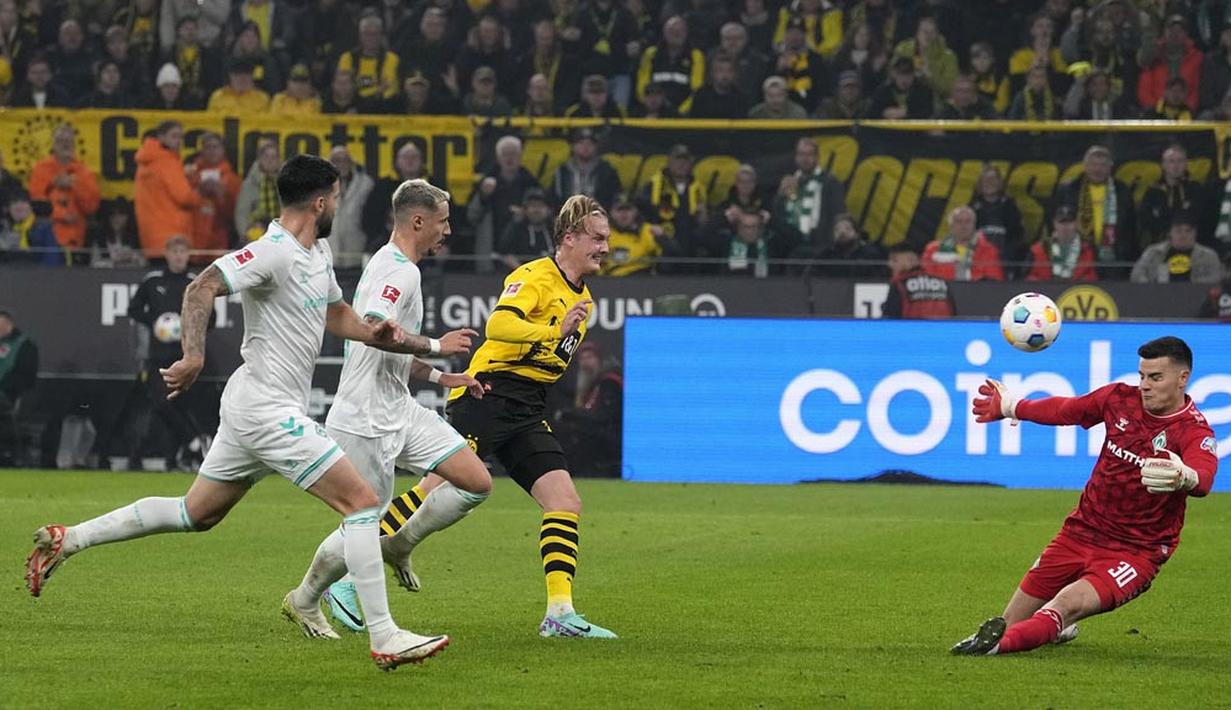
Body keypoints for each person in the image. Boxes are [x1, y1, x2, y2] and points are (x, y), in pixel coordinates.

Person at [25, 155, 451, 671]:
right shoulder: (271, 252)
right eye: (336, 197)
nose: (338, 205)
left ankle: (70, 539)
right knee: (363, 504)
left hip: (260, 407)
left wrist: (374, 332)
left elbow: (335, 313)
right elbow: (201, 285)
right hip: (266, 409)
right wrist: (194, 355)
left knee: (194, 513)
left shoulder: (317, 251)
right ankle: (384, 636)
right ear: (320, 201)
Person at [380, 194, 618, 639]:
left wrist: (556, 338)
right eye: (597, 238)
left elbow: (549, 359)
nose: (605, 247)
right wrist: (553, 330)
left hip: (527, 407)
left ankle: (559, 614)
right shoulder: (535, 276)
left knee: (564, 501)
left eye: (606, 239)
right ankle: (352, 578)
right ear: (569, 238)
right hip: (489, 393)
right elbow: (500, 326)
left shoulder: (583, 300)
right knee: (435, 483)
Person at [288, 179, 491, 634]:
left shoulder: (391, 263)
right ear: (417, 221)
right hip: (364, 419)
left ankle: (400, 542)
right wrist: (440, 345)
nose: (448, 231)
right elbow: (379, 329)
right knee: (362, 522)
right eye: (442, 222)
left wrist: (442, 376)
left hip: (399, 406)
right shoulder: (401, 271)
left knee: (475, 481)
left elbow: (387, 349)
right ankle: (304, 599)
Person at [952, 336, 1219, 656]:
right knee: (1011, 620)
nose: (1145, 385)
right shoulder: (1120, 399)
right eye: (1142, 376)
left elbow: (1203, 478)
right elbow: (1068, 410)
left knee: (1066, 604)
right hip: (1079, 533)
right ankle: (1038, 633)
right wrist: (1012, 407)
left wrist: (1184, 476)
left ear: (1183, 378)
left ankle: (992, 648)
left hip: (1135, 551)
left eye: (1156, 377)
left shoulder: (1193, 430)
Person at [126, 235, 206, 471]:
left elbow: (210, 317)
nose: (179, 256)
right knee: (160, 402)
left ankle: (175, 459)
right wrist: (156, 322)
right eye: (175, 252)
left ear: (188, 255)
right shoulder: (152, 281)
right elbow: (133, 309)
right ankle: (193, 441)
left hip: (187, 355)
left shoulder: (196, 282)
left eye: (183, 252)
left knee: (179, 405)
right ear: (167, 254)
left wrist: (189, 326)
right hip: (158, 355)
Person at [1053, 145, 1137, 273]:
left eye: (1103, 165)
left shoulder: (1121, 190)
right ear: (1085, 166)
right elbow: (1054, 220)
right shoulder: (1068, 189)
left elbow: (1131, 226)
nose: (1097, 169)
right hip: (1076, 256)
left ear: (1110, 167)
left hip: (1113, 258)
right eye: (1093, 164)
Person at [134, 121, 201, 260]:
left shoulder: (147, 160)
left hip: (151, 237)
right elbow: (184, 197)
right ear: (161, 137)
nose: (178, 141)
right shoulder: (166, 161)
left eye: (181, 137)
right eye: (174, 136)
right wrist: (200, 194)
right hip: (172, 238)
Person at [772, 137, 846, 256]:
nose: (805, 159)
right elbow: (778, 214)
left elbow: (839, 212)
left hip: (821, 245)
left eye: (809, 154)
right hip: (793, 245)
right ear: (796, 157)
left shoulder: (829, 181)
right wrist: (780, 195)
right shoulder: (790, 180)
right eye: (801, 154)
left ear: (817, 157)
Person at [187, 132, 241, 263]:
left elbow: (236, 216)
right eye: (208, 147)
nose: (212, 151)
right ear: (202, 151)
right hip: (192, 239)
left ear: (223, 150)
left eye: (215, 147)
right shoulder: (190, 175)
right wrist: (198, 192)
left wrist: (222, 196)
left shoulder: (233, 180)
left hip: (218, 242)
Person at [1138, 144, 1206, 247]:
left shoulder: (1195, 189)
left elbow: (1201, 218)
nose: (1175, 166)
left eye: (1180, 161)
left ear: (1186, 164)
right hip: (1159, 245)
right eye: (1171, 161)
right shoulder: (1153, 191)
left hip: (1192, 245)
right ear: (1163, 165)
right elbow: (1145, 220)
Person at [1130, 212, 1223, 285]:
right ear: (1170, 233)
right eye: (1178, 231)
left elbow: (1216, 277)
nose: (1183, 235)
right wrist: (1151, 287)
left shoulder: (1208, 255)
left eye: (1188, 231)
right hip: (1158, 296)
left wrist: (1192, 286)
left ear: (1195, 233)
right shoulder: (1153, 252)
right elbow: (1136, 274)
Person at [921, 206, 1005, 281]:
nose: (963, 226)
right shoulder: (933, 249)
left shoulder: (989, 250)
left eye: (968, 221)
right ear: (951, 226)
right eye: (959, 221)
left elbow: (994, 282)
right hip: (942, 296)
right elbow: (927, 280)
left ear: (974, 225)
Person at [969, 164, 1025, 275]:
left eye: (993, 179)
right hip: (979, 257)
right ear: (980, 183)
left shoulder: (1010, 206)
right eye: (986, 179)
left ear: (999, 182)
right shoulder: (973, 207)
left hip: (1006, 257)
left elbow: (1017, 233)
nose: (989, 183)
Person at [549, 128, 621, 211]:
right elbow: (555, 197)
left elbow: (614, 197)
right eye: (581, 143)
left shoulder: (607, 171)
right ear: (573, 146)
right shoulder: (562, 171)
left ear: (596, 147)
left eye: (590, 144)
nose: (585, 147)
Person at [0, 309, 37, 466]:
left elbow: (25, 376)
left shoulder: (24, 345)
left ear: (8, 324)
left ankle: (10, 455)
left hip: (10, 395)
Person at [1025, 205, 1097, 282]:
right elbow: (1027, 279)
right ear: (1055, 224)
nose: (1065, 227)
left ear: (1076, 224)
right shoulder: (1038, 250)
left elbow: (1095, 278)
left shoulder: (1089, 249)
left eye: (1069, 223)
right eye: (1061, 223)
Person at [881, 244, 955, 319]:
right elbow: (953, 313)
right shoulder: (941, 282)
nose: (890, 264)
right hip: (944, 329)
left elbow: (890, 319)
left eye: (895, 260)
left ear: (911, 260)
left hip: (911, 329)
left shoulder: (899, 284)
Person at [496, 188, 554, 271]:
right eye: (533, 206)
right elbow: (505, 253)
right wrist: (525, 272)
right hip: (522, 277)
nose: (536, 210)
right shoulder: (516, 229)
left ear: (549, 210)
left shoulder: (556, 229)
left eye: (541, 206)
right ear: (525, 210)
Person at [602, 193, 661, 276]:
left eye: (628, 209)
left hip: (640, 280)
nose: (624, 213)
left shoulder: (647, 231)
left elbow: (668, 258)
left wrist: (663, 238)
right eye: (619, 209)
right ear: (611, 212)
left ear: (635, 211)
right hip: (610, 281)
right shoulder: (602, 234)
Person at [235, 140, 281, 242]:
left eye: (273, 157)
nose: (270, 161)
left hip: (281, 233)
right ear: (259, 159)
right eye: (266, 157)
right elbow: (241, 213)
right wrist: (245, 234)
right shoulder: (249, 184)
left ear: (278, 160)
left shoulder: (285, 183)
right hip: (255, 235)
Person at [813, 213, 884, 278]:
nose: (842, 232)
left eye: (847, 229)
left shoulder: (870, 255)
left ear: (857, 233)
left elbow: (878, 280)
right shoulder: (825, 255)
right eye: (837, 229)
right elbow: (811, 276)